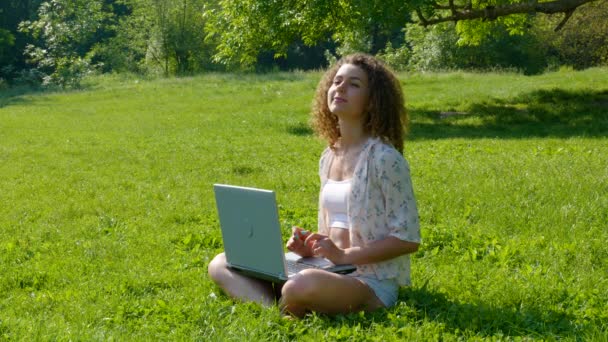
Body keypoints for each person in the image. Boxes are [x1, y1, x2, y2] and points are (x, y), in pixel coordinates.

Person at [208, 53, 420, 318]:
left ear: (372, 100)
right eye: (337, 81)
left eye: (354, 84)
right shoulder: (329, 155)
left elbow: (407, 239)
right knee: (221, 263)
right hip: (326, 268)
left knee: (301, 284)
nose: (340, 87)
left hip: (369, 280)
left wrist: (344, 255)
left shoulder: (385, 159)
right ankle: (277, 313)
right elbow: (336, 231)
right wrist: (311, 247)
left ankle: (282, 300)